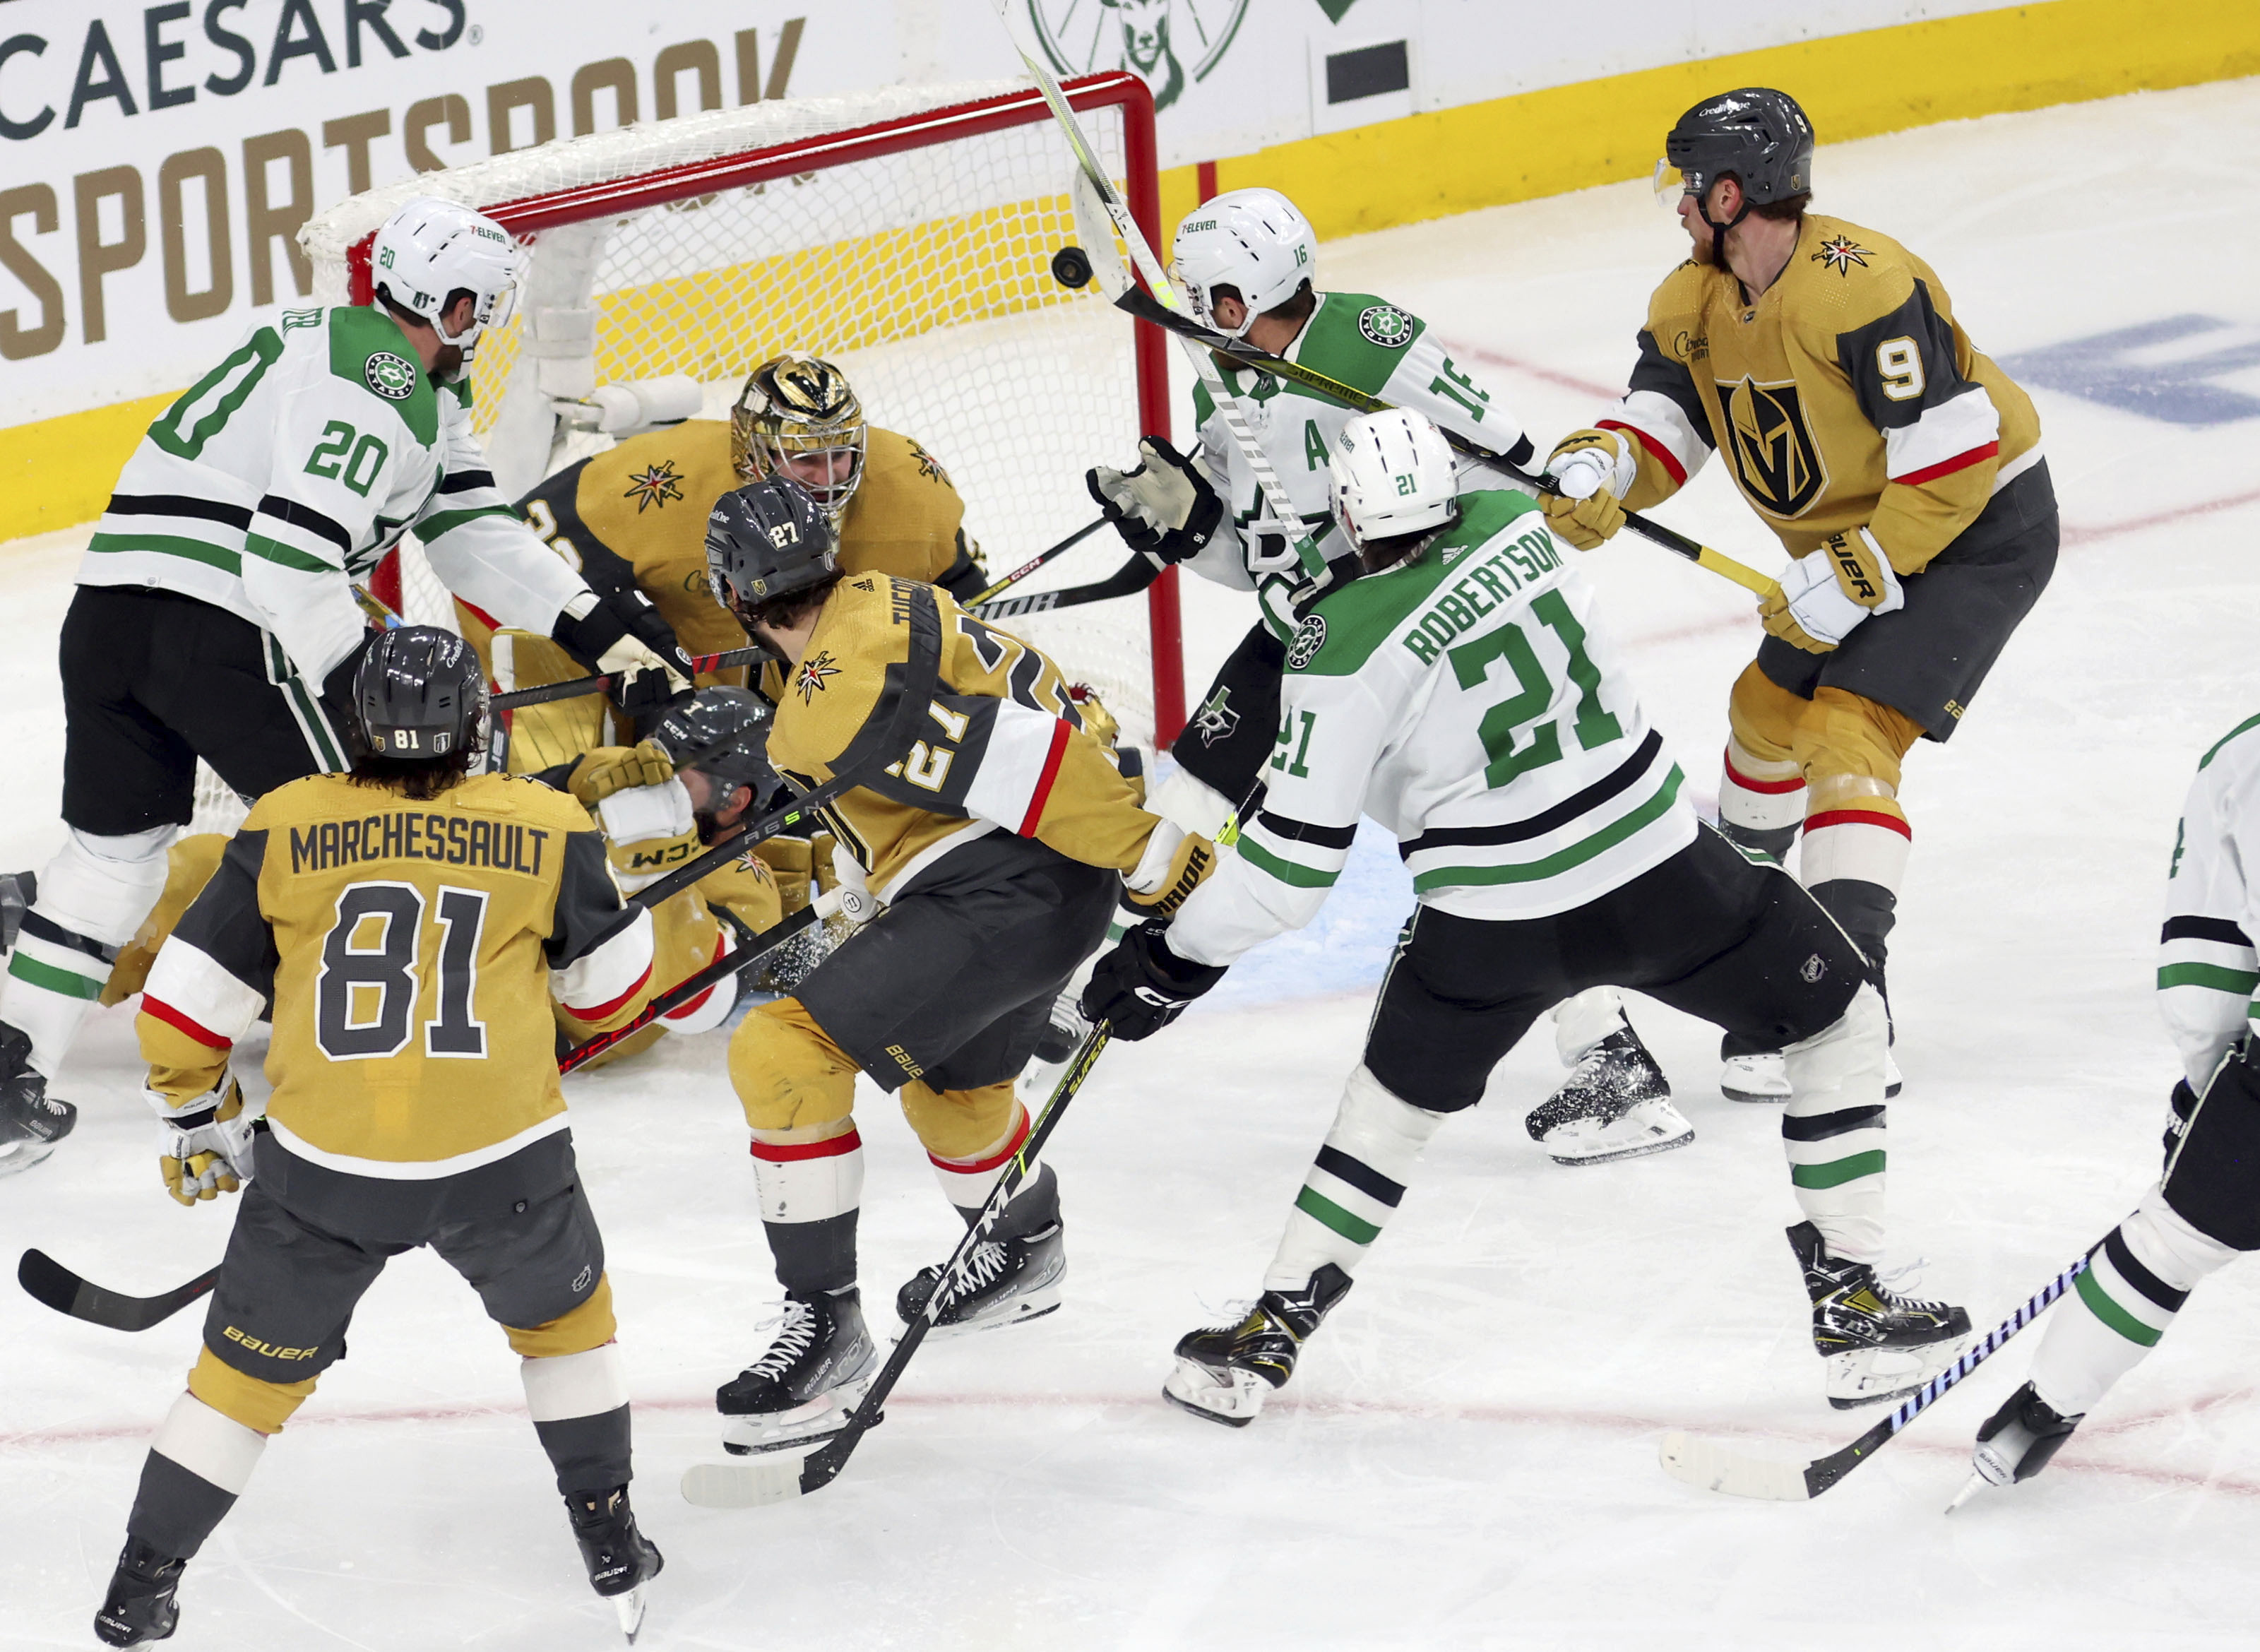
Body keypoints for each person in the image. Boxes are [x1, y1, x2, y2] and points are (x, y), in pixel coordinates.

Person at [1081, 409, 1971, 1427]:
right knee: (1843, 1021)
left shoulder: (1331, 656)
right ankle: (1849, 1301)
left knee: (1388, 1115)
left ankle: (1268, 1332)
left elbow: (1288, 878)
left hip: (1490, 925)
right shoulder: (1511, 519)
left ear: (1348, 516)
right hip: (1662, 879)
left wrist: (1168, 959)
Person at [0, 196, 684, 1175]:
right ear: (446, 305)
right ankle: (378, 1069)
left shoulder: (367, 362)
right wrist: (357, 679)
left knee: (116, 857)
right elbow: (286, 560)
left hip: (111, 616)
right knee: (363, 834)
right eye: (475, 308)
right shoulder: (383, 376)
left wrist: (604, 633)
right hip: (219, 628)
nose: (482, 328)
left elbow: (474, 533)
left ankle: (9, 1067)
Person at [1080, 185, 1687, 1165]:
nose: (1195, 309)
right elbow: (1257, 561)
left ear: (1242, 294)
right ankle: (1084, 995)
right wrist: (1190, 528)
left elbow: (1510, 465)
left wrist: (1427, 562)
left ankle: (1608, 1054)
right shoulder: (1220, 384)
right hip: (1309, 628)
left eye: (1208, 294)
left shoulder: (1367, 339)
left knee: (1470, 852)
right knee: (1188, 787)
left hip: (1395, 628)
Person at [92, 629, 665, 1648]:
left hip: (324, 1175)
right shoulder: (547, 818)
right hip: (507, 1162)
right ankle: (609, 1533)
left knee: (242, 1381)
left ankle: (142, 1581)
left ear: (354, 725)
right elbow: (616, 992)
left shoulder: (286, 820)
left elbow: (182, 1008)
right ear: (477, 726)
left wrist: (199, 1119)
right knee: (566, 1333)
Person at [1540, 88, 2054, 1103]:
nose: (1676, 205)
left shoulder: (1861, 287)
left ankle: (1846, 999)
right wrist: (1603, 468)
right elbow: (1663, 426)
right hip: (1855, 545)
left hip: (1972, 532)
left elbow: (1954, 456)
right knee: (1761, 719)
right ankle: (1760, 950)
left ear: (1732, 194)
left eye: (1689, 187)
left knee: (1848, 733)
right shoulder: (1690, 302)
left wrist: (1862, 570)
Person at [701, 477, 1211, 1454]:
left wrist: (1149, 856)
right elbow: (949, 770)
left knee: (781, 1053)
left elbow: (1026, 758)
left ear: (735, 593)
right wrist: (856, 895)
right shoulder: (897, 600)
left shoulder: (828, 700)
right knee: (956, 1092)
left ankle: (828, 1331)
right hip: (1033, 886)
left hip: (1003, 886)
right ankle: (1022, 1247)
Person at [1961, 714, 2260, 1498]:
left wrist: (2206, 1100)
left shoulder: (2244, 755)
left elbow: (2204, 979)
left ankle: (2037, 1414)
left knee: (2170, 1243)